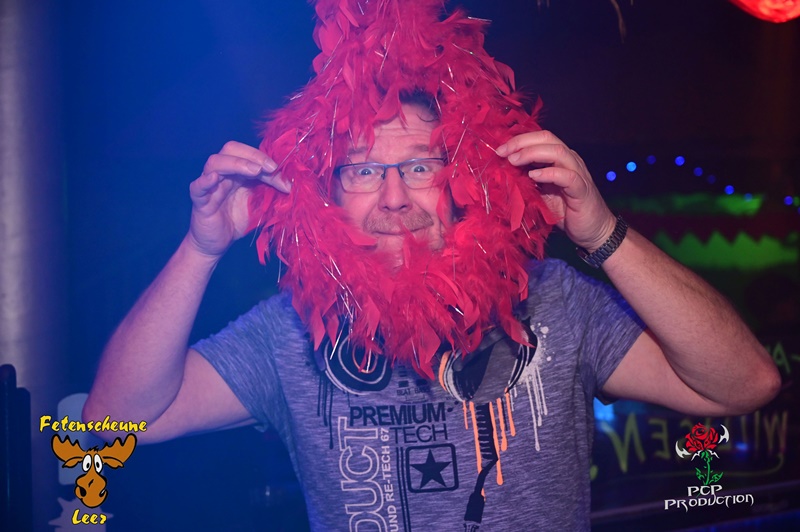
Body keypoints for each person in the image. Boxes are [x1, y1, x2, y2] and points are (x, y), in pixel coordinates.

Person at [84, 3, 779, 530]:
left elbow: (745, 384)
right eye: (363, 171)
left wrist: (600, 233)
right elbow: (113, 425)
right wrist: (202, 248)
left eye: (419, 166)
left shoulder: (554, 301)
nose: (394, 198)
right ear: (328, 193)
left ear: (461, 178)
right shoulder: (291, 331)